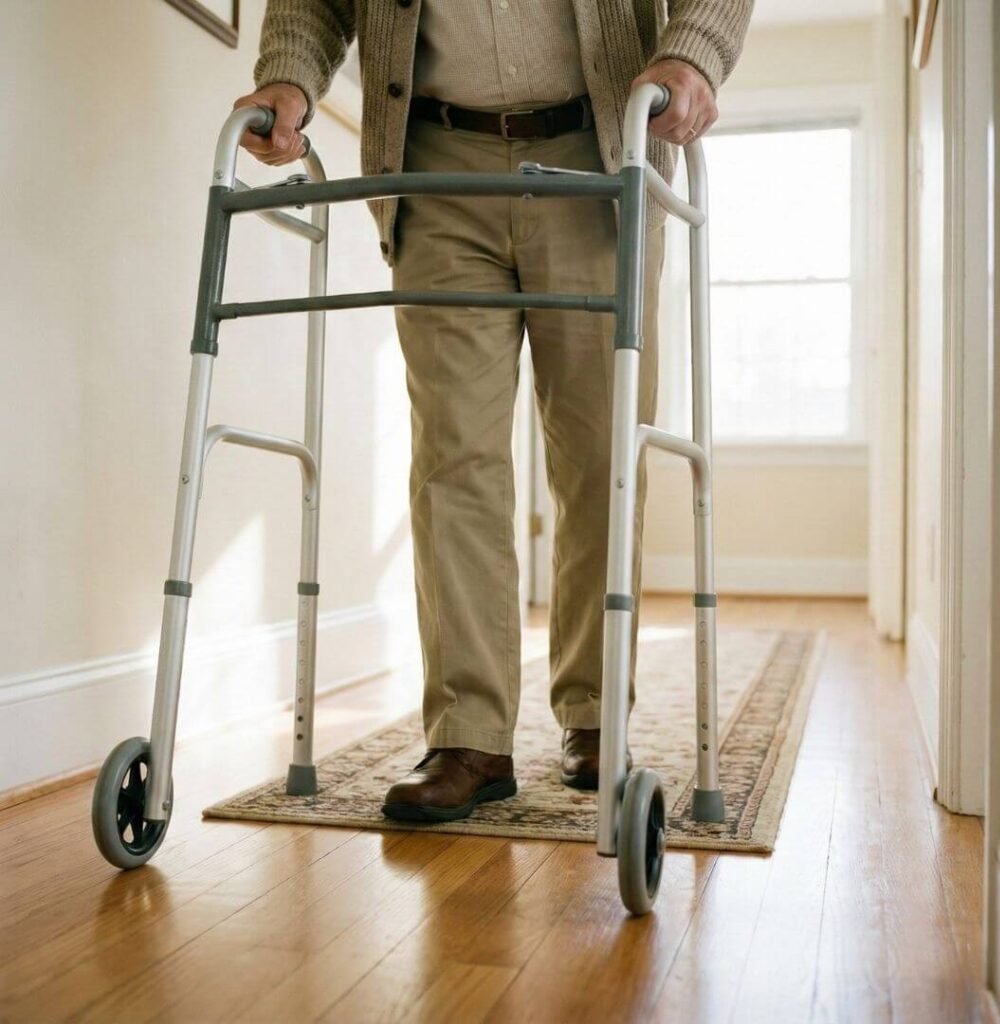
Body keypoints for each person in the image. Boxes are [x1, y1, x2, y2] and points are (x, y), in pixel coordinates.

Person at [235, 0, 752, 823]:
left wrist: (694, 50)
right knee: (453, 456)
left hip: (600, 147)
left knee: (599, 455)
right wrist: (289, 77)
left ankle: (593, 709)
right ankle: (468, 734)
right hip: (434, 159)